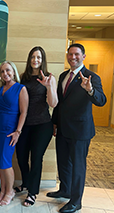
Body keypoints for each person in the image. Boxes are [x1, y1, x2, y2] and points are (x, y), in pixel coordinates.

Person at [47, 43, 106, 213]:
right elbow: (59, 103)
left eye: (77, 54)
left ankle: (76, 201)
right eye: (70, 54)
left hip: (80, 131)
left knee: (78, 166)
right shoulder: (64, 75)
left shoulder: (91, 77)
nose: (73, 57)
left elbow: (101, 101)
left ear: (83, 56)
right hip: (63, 128)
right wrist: (55, 122)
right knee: (63, 162)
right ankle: (65, 190)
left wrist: (90, 90)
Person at [14, 46, 58, 206]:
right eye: (33, 57)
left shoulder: (49, 78)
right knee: (21, 157)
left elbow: (53, 103)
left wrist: (48, 87)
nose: (35, 60)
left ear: (43, 60)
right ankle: (25, 183)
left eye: (39, 57)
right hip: (24, 124)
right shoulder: (22, 78)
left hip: (43, 125)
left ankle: (32, 192)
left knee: (36, 158)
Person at [0, 61, 28, 206]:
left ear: (13, 72)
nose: (5, 74)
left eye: (8, 70)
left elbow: (23, 112)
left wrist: (18, 132)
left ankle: (10, 192)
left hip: (10, 131)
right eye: (2, 71)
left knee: (6, 162)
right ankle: (2, 190)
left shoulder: (20, 89)